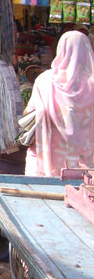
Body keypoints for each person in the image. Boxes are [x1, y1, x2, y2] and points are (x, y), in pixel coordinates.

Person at [24, 30, 94, 177]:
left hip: (49, 163)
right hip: (86, 166)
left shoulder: (44, 80)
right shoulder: (92, 84)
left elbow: (28, 113)